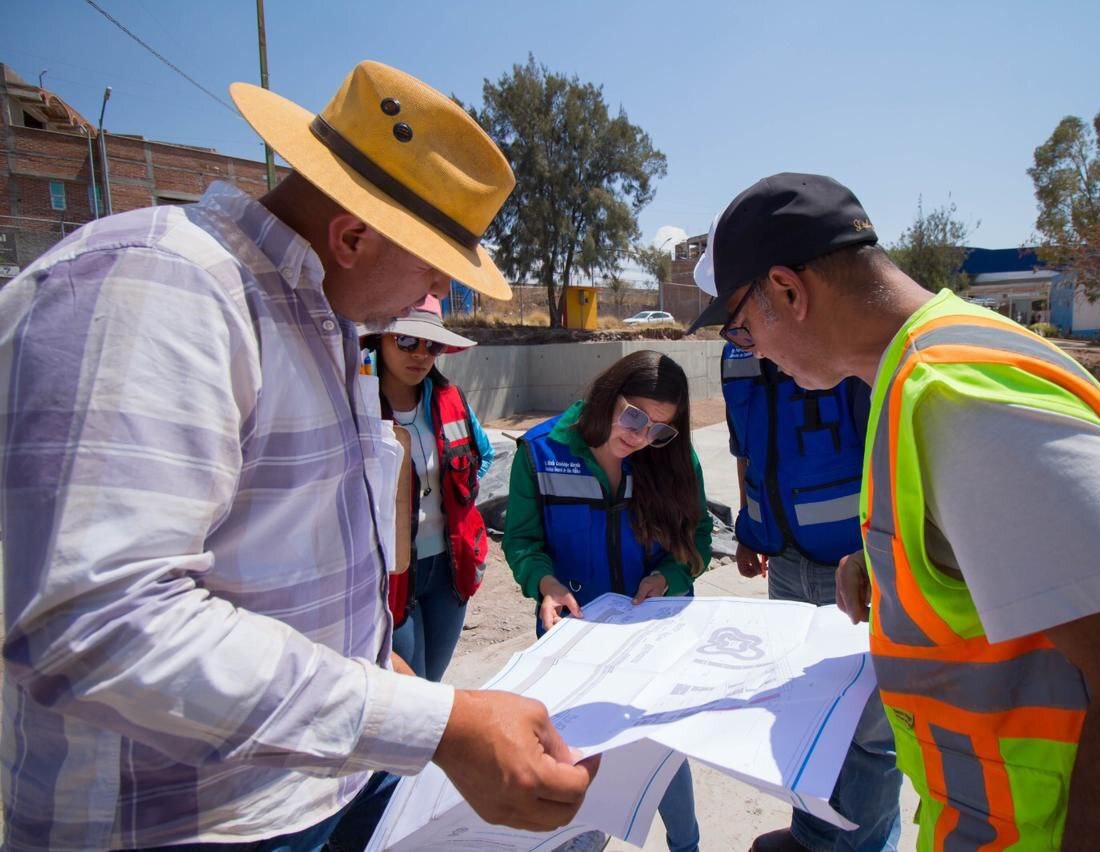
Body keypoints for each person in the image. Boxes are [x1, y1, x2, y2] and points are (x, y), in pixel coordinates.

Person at [0, 61, 597, 850]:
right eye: (434, 270)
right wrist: (438, 727)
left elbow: (310, 596)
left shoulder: (324, 322)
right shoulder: (159, 288)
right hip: (186, 825)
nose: (436, 300)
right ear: (352, 237)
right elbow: (99, 623)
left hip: (320, 788)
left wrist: (423, 710)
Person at [687, 173, 1100, 851]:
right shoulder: (917, 375)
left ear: (789, 292)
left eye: (741, 325)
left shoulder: (963, 399)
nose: (748, 348)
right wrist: (891, 567)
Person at [503, 350, 711, 852]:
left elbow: (699, 538)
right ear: (607, 393)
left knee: (662, 753)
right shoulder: (539, 450)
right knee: (579, 762)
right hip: (573, 646)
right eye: (635, 416)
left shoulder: (674, 459)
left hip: (652, 639)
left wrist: (668, 577)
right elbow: (522, 542)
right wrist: (545, 583)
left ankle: (687, 846)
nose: (640, 438)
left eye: (659, 430)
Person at [718, 341, 902, 852]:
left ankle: (866, 845)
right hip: (784, 560)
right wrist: (748, 528)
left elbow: (884, 458)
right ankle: (814, 835)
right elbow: (745, 447)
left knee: (867, 733)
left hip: (850, 565)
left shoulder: (838, 343)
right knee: (805, 712)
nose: (737, 328)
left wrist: (872, 557)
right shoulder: (737, 355)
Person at [364, 298, 494, 682]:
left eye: (431, 344)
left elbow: (482, 455)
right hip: (389, 575)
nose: (420, 354)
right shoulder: (357, 403)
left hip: (450, 571)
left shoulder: (450, 399)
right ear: (380, 340)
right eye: (406, 340)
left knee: (432, 681)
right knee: (409, 689)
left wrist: (462, 503)